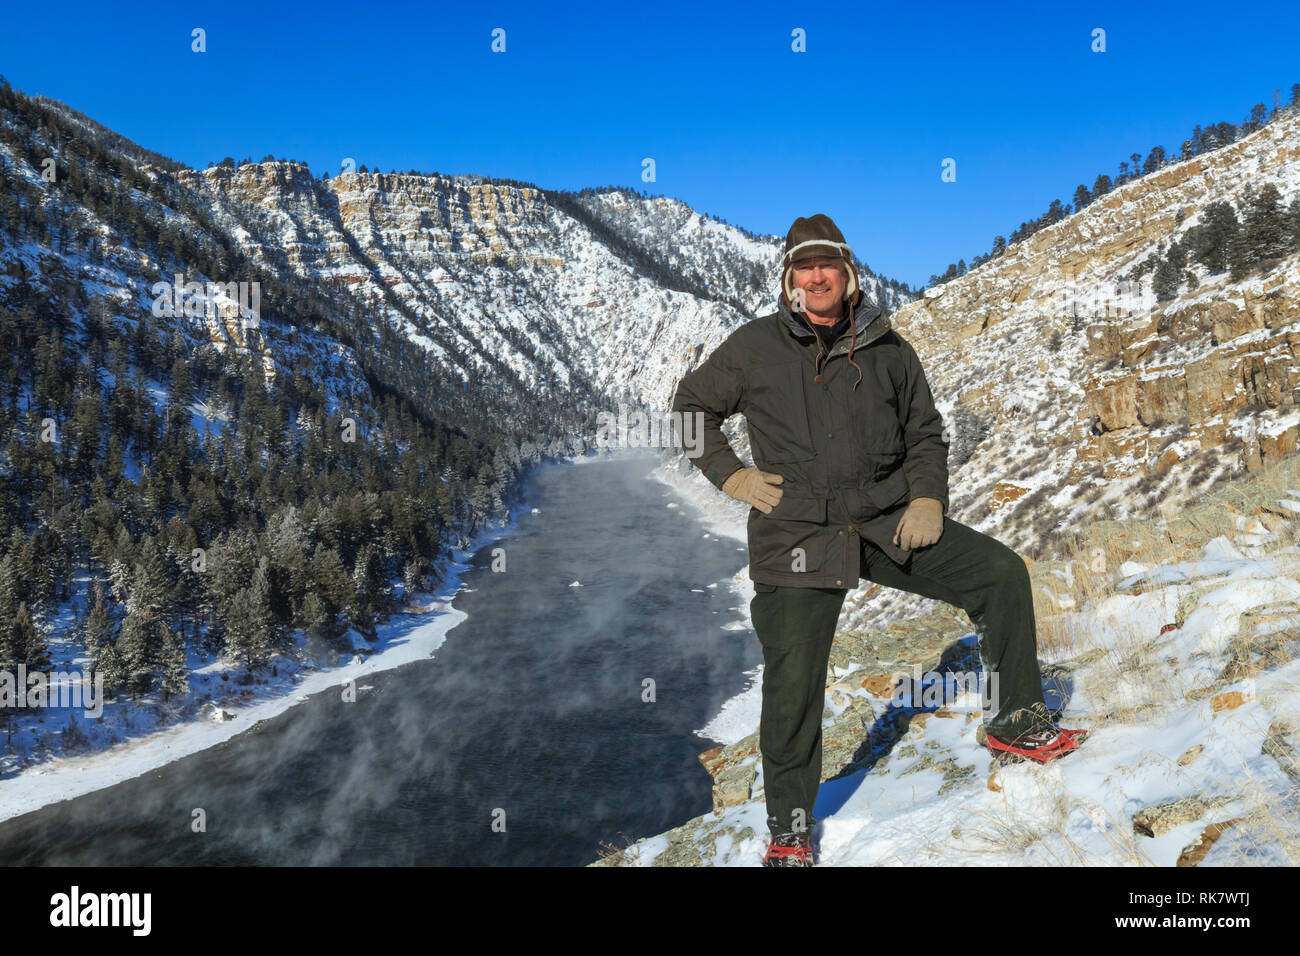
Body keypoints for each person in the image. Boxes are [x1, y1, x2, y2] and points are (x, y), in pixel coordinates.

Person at [670, 214, 1086, 867]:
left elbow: (925, 434)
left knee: (1001, 574)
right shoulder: (753, 347)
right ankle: (789, 832)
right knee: (793, 680)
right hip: (796, 531)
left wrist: (927, 498)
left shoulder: (890, 348)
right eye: (803, 268)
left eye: (827, 266)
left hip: (884, 518)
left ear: (847, 273)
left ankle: (1018, 723)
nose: (816, 277)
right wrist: (732, 475)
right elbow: (690, 410)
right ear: (789, 281)